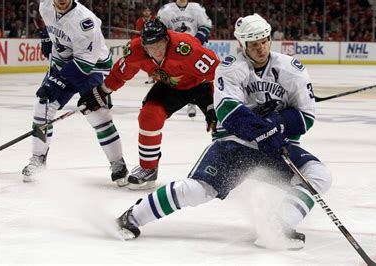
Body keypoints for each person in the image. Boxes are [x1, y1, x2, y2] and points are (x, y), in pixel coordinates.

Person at [115, 14, 332, 250]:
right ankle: (133, 216)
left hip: (275, 145)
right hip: (234, 144)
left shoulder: (292, 70)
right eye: (253, 44)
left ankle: (278, 226)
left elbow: (306, 118)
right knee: (198, 190)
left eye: (263, 41)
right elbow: (229, 112)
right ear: (242, 44)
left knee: (318, 175)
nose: (260, 48)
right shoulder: (229, 68)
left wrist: (276, 122)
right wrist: (262, 129)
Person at [94, 18, 219, 190]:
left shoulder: (186, 48)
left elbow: (217, 73)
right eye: (151, 48)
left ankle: (236, 167)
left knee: (221, 122)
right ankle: (148, 168)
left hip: (201, 85)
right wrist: (102, 91)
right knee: (149, 116)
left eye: (160, 45)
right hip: (171, 87)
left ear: (167, 39)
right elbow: (120, 73)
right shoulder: (135, 50)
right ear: (143, 46)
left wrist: (215, 104)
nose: (157, 52)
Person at [22, 0, 128, 187]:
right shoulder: (45, 5)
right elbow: (54, 25)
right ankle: (38, 158)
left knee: (97, 113)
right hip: (62, 63)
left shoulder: (84, 21)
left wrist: (56, 82)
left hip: (93, 67)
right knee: (42, 106)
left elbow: (84, 64)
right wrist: (46, 34)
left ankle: (118, 163)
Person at [157, 0, 213, 118]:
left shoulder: (196, 8)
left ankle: (192, 101)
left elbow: (206, 25)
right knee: (178, 76)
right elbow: (159, 29)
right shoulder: (165, 10)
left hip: (194, 50)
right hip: (174, 50)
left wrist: (197, 41)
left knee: (195, 75)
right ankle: (170, 102)